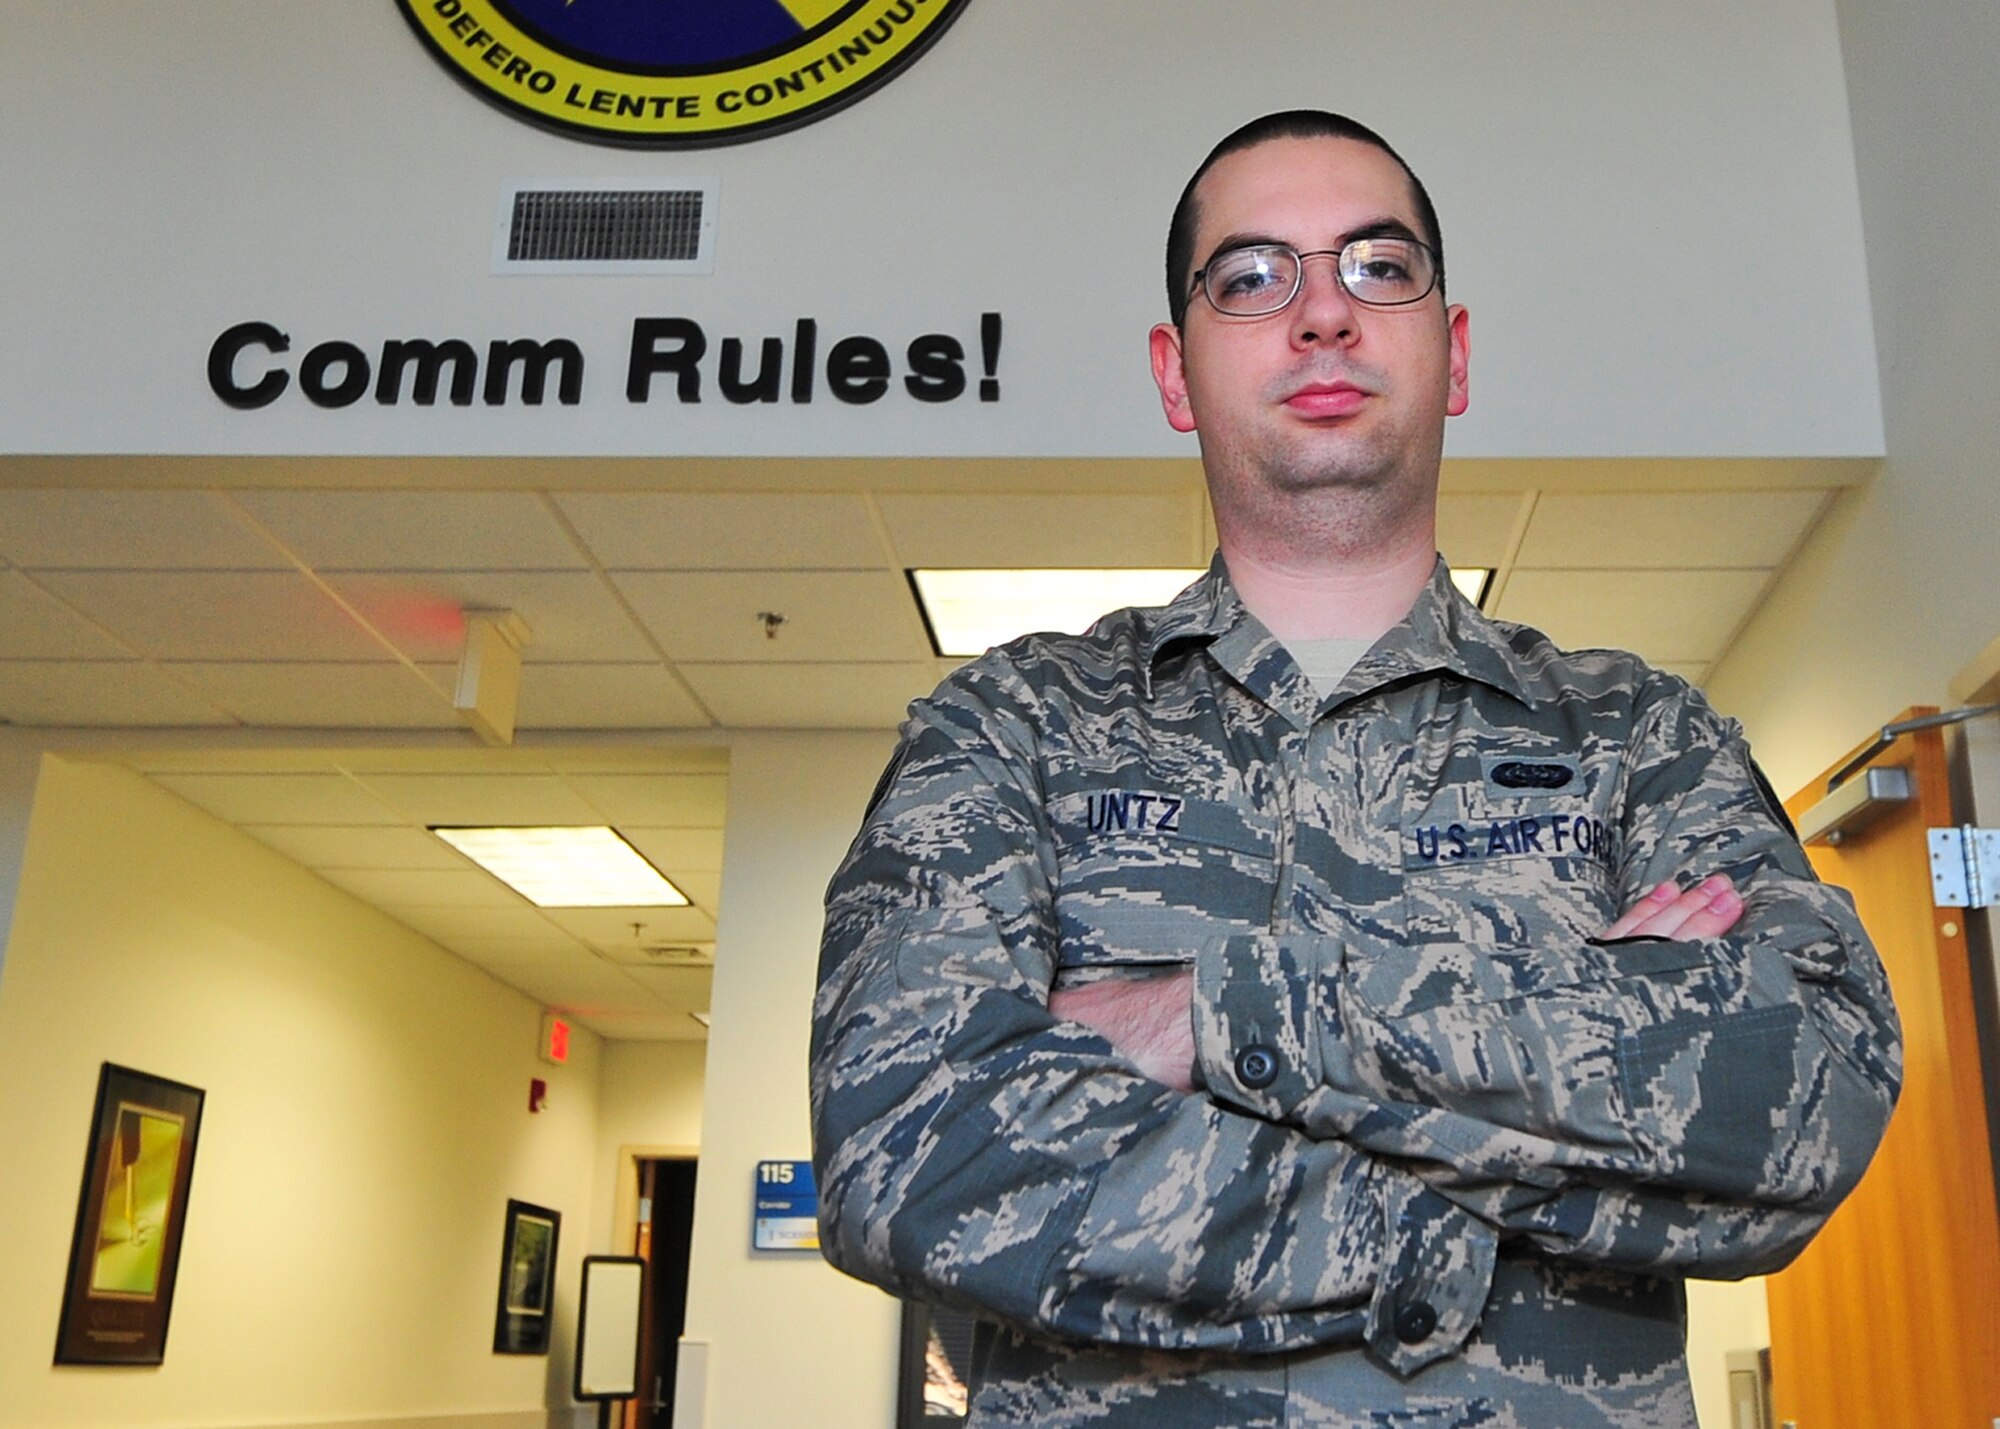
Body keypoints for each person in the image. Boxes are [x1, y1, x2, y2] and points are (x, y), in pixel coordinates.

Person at [809, 110, 1901, 1427]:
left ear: (1454, 353)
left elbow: (1808, 1090)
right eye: (1253, 277)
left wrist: (1214, 1016)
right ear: (1174, 371)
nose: (1323, 314)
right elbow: (907, 1146)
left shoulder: (1636, 736)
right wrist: (1533, 1104)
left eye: (1379, 268)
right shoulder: (1008, 728)